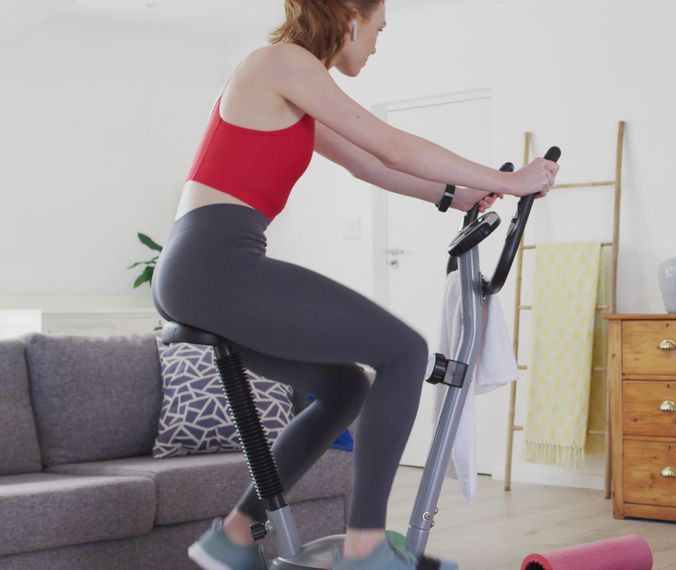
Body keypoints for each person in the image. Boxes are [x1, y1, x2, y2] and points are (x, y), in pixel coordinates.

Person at [151, 1, 559, 569]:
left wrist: (453, 196)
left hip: (203, 267)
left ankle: (236, 532)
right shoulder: (282, 63)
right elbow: (390, 143)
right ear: (349, 18)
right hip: (216, 262)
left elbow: (369, 164)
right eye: (377, 31)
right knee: (404, 350)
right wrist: (508, 181)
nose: (374, 45)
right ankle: (366, 547)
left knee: (346, 388)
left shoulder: (294, 87)